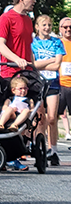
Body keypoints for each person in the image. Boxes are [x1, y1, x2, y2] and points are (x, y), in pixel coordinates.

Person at [31, 14, 65, 166]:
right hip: (38, 82)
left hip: (53, 82)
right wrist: (50, 60)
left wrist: (43, 63)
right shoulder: (32, 43)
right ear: (37, 27)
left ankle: (54, 150)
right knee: (40, 118)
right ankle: (41, 148)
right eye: (43, 25)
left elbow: (57, 65)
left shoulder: (57, 42)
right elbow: (33, 64)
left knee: (52, 118)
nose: (47, 28)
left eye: (49, 25)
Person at [58, 18, 71, 146]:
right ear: (60, 29)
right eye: (65, 27)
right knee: (54, 117)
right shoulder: (57, 43)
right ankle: (53, 148)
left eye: (70, 27)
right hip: (60, 84)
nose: (68, 29)